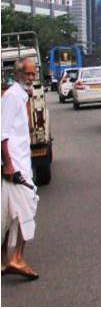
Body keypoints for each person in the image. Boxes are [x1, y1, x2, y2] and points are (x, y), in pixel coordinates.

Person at [1, 58, 40, 280]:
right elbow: (2, 133)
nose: (31, 78)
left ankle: (5, 261)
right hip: (14, 166)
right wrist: (8, 164)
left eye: (34, 74)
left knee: (9, 214)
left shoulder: (20, 96)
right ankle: (16, 257)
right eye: (28, 74)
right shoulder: (12, 97)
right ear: (17, 75)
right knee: (28, 206)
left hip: (19, 163)